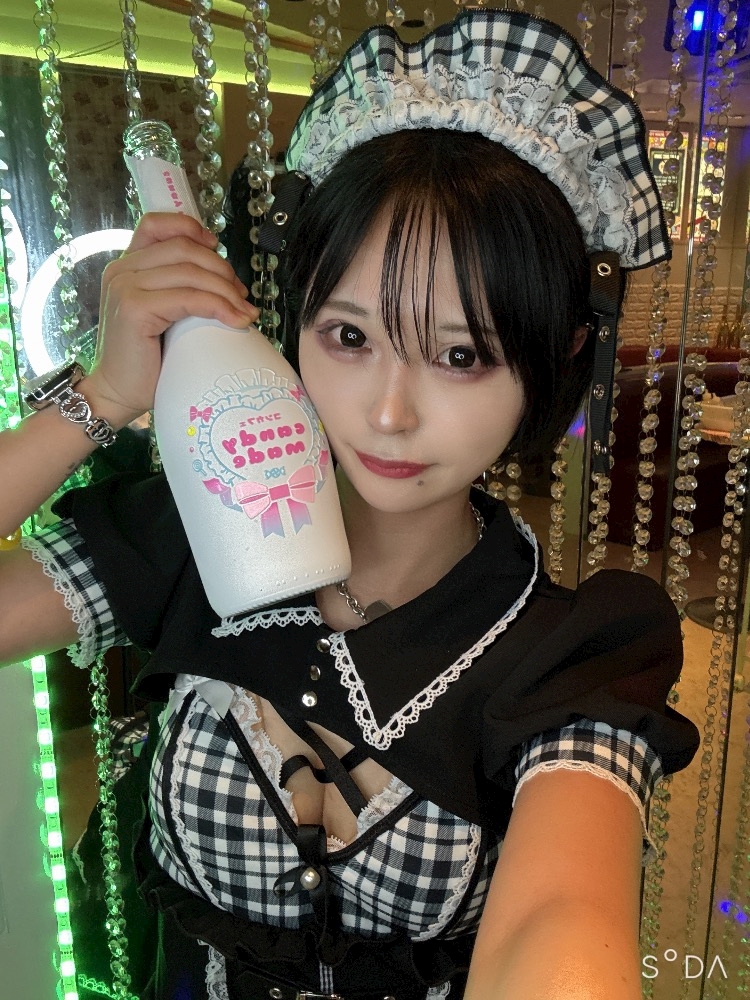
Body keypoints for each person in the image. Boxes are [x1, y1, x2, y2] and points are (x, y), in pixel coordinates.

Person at [0, 10, 700, 1000]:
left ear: (560, 354)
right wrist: (103, 395)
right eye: (350, 337)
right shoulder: (191, 533)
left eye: (461, 353)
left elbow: (561, 926)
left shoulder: (568, 653)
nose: (388, 412)